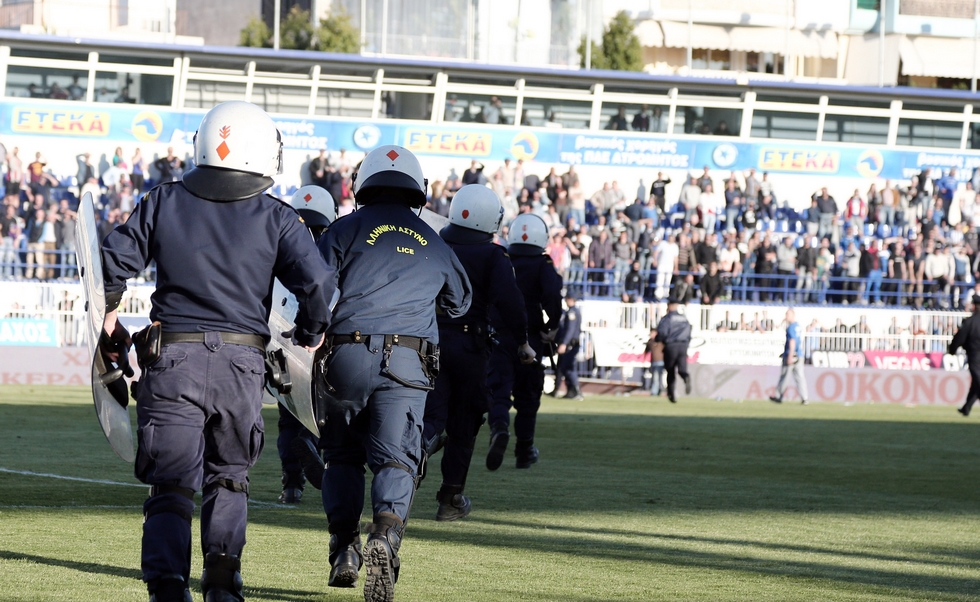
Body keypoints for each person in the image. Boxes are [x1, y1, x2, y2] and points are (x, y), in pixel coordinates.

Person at [100, 101, 336, 602]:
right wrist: (311, 332)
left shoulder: (162, 200)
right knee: (229, 479)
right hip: (242, 367)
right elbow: (317, 282)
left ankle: (166, 588)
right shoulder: (279, 217)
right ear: (264, 154)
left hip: (171, 363)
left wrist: (109, 323)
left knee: (170, 485)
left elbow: (110, 265)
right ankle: (223, 586)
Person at [314, 144, 471, 599]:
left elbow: (314, 287)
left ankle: (343, 547)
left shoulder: (343, 230)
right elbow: (460, 303)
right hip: (406, 360)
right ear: (418, 191)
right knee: (397, 457)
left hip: (344, 355)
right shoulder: (436, 242)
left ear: (363, 186)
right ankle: (385, 534)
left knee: (341, 456)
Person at [421, 184, 533, 521]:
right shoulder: (492, 255)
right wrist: (523, 340)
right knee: (465, 424)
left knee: (428, 416)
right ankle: (450, 499)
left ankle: (408, 474)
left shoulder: (434, 244)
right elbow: (510, 301)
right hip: (471, 347)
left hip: (429, 341)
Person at [273, 186, 337, 505]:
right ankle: (312, 444)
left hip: (279, 338)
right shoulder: (333, 245)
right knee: (323, 408)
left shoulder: (279, 240)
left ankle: (291, 484)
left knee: (289, 411)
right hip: (320, 339)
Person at [487, 213, 563, 472]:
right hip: (531, 336)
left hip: (497, 333)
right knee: (528, 396)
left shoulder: (500, 258)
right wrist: (552, 325)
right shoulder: (543, 264)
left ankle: (498, 428)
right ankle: (524, 449)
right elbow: (552, 294)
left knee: (499, 390)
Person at [654, 298, 691, 403]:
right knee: (682, 369)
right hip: (683, 346)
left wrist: (658, 340)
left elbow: (662, 332)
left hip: (671, 345)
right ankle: (686, 376)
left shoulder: (667, 318)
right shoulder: (684, 319)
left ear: (670, 306)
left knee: (670, 371)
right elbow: (689, 333)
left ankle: (671, 394)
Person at [770, 308, 809, 405]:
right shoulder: (798, 326)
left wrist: (790, 355)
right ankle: (805, 398)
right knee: (800, 377)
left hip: (791, 354)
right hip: (799, 354)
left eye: (787, 314)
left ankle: (779, 396)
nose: (785, 316)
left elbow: (792, 341)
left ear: (793, 315)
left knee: (785, 376)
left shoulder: (791, 327)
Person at [949, 295, 980, 417]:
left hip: (975, 358)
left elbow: (959, 339)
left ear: (973, 306)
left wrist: (952, 350)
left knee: (978, 382)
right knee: (977, 384)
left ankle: (966, 408)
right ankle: (966, 408)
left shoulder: (969, 322)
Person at [553, 294, 583, 399]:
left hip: (570, 344)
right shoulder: (572, 311)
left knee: (569, 368)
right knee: (565, 367)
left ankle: (576, 391)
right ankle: (571, 391)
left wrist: (564, 343)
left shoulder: (572, 312)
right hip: (571, 344)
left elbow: (570, 330)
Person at [645, 328, 664, 396]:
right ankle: (658, 390)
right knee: (656, 377)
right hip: (653, 362)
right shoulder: (650, 342)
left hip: (660, 361)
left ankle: (654, 392)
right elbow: (646, 351)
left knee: (657, 377)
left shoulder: (661, 341)